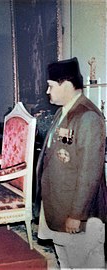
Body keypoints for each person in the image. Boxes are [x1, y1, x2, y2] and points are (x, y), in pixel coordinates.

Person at [36, 57, 107, 268]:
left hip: (77, 214)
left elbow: (90, 172)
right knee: (65, 261)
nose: (47, 92)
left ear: (65, 84)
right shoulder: (64, 110)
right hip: (59, 206)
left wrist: (77, 215)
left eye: (50, 86)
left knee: (84, 264)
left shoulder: (88, 117)